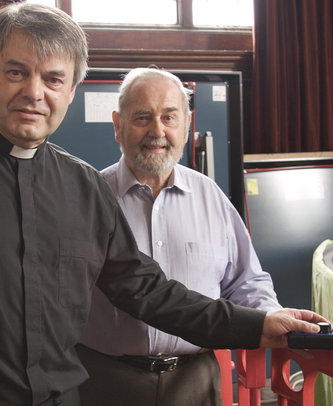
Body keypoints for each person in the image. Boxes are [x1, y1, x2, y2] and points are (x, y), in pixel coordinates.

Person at [0, 2, 327, 406]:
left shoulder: (84, 188)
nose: (34, 93)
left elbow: (150, 292)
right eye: (17, 72)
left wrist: (258, 324)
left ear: (71, 91)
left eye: (53, 79)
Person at [77, 68, 283, 406]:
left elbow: (247, 281)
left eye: (169, 118)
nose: (157, 131)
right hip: (105, 382)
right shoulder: (89, 199)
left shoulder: (211, 197)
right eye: (142, 117)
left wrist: (268, 319)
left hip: (196, 382)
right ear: (118, 125)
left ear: (186, 126)